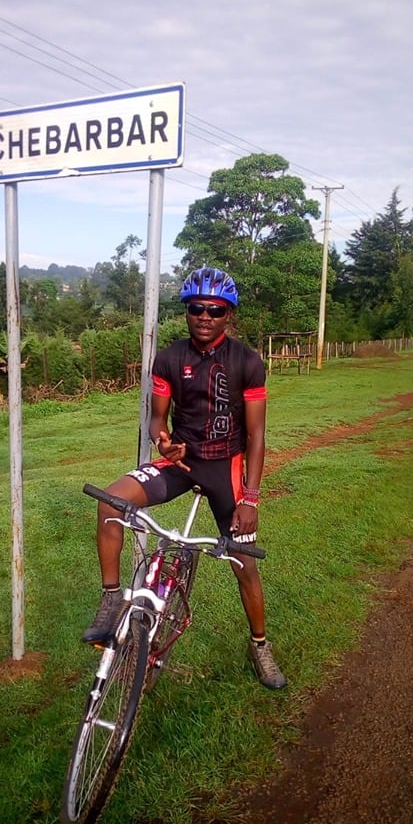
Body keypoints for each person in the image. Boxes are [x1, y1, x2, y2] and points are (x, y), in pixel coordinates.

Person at [81, 266, 287, 690]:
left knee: (245, 564)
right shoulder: (170, 357)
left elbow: (257, 435)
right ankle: (110, 600)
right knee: (110, 501)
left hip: (226, 467)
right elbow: (157, 419)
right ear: (187, 311)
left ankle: (260, 645)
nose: (205, 317)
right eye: (197, 308)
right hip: (181, 461)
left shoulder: (247, 361)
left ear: (228, 314)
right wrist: (163, 443)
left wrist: (250, 498)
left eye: (215, 310)